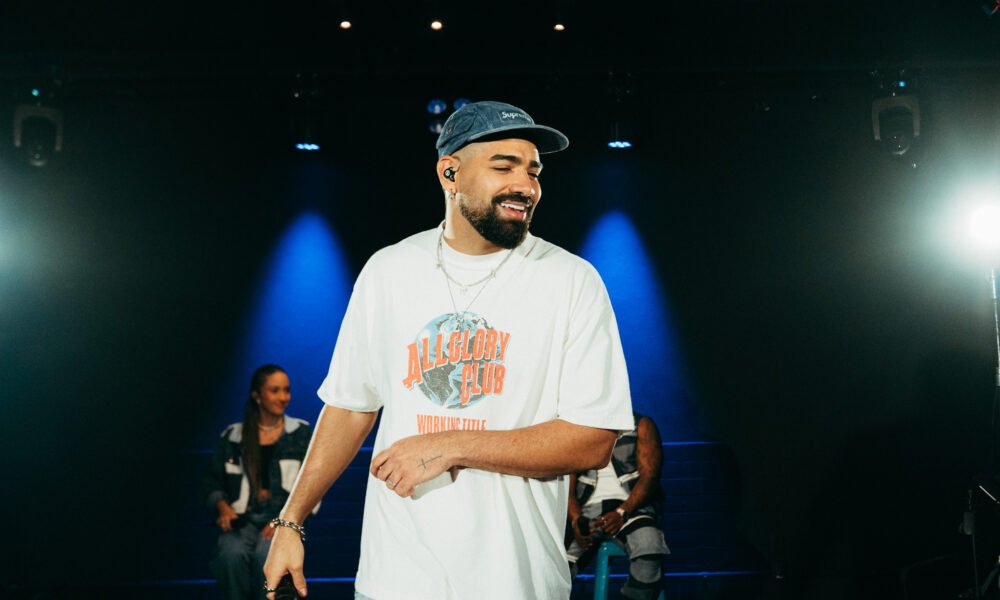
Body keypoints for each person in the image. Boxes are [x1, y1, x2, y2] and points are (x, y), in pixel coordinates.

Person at [263, 100, 635, 600]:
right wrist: (291, 521)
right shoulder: (389, 271)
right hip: (394, 580)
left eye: (533, 171)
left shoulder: (571, 281)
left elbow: (592, 440)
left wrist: (450, 445)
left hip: (515, 583)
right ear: (450, 173)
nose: (526, 186)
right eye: (504, 167)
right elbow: (350, 407)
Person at [202, 364, 316, 600]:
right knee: (230, 554)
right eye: (275, 390)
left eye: (286, 390)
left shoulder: (301, 434)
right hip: (242, 522)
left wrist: (285, 520)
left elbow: (314, 483)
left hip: (282, 520)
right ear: (257, 395)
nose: (283, 397)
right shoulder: (233, 436)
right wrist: (223, 508)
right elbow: (212, 480)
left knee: (268, 555)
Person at [566, 412, 670, 600]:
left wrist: (622, 512)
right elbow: (566, 486)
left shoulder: (640, 424)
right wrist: (575, 521)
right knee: (556, 561)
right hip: (588, 511)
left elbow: (650, 477)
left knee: (649, 546)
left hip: (632, 507)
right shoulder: (580, 428)